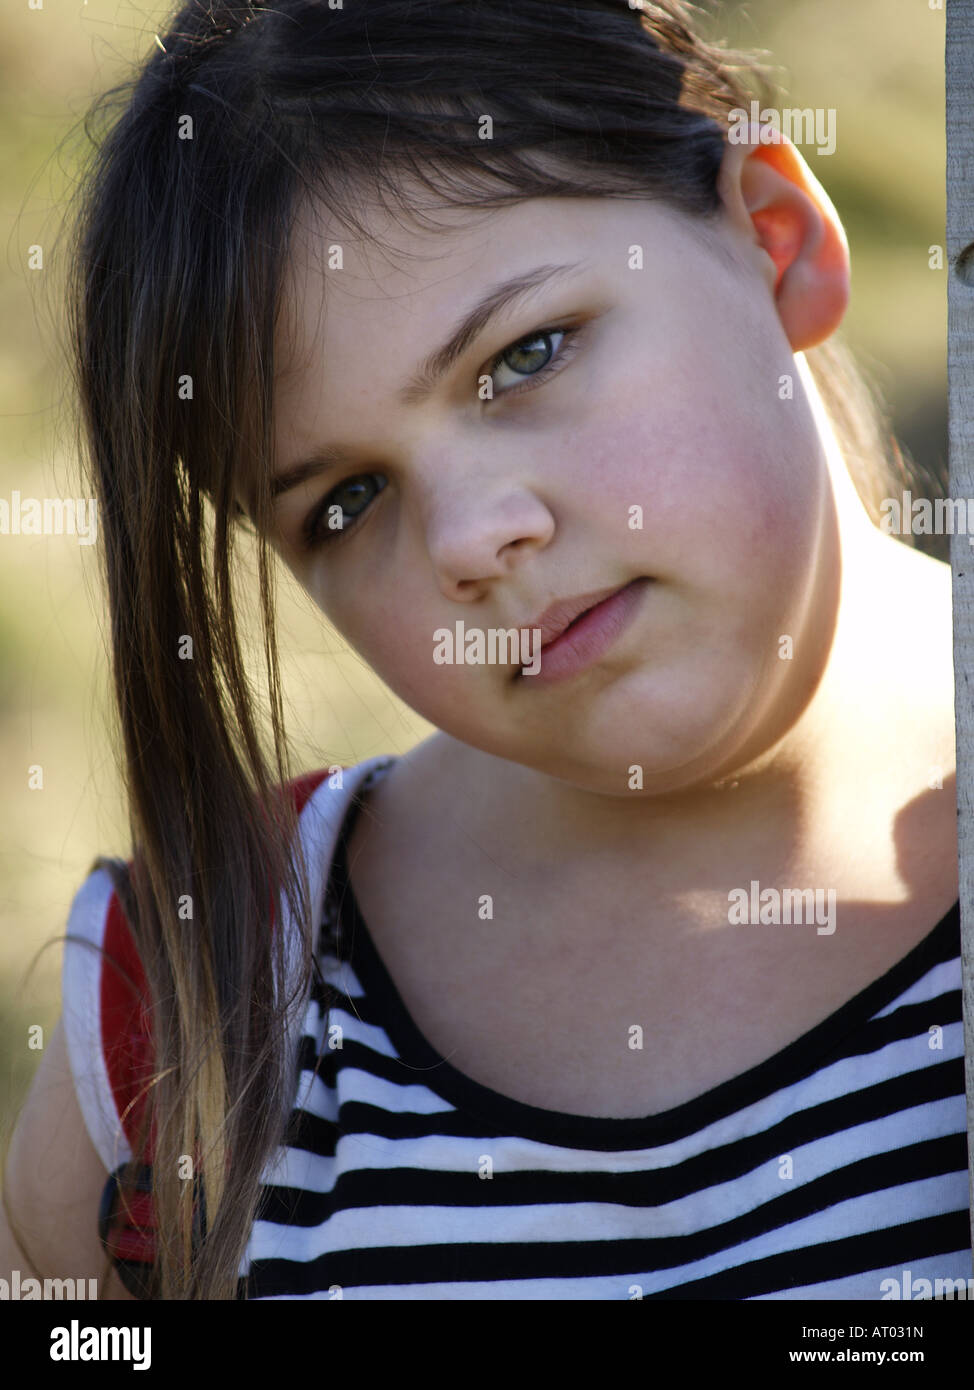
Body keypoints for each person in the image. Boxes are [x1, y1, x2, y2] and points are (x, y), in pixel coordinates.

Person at [1, 0, 967, 1301]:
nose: (469, 539)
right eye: (344, 501)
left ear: (775, 241)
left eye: (528, 356)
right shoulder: (182, 1027)